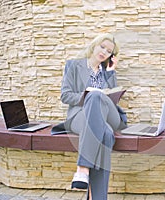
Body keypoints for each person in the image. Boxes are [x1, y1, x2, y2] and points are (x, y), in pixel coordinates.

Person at [60, 33, 127, 200]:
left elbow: (113, 96)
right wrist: (86, 96)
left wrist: (110, 72)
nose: (104, 52)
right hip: (79, 116)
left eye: (109, 51)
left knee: (97, 97)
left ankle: (83, 167)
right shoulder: (74, 66)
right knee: (105, 134)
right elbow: (65, 95)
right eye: (102, 47)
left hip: (108, 116)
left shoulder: (107, 71)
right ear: (94, 45)